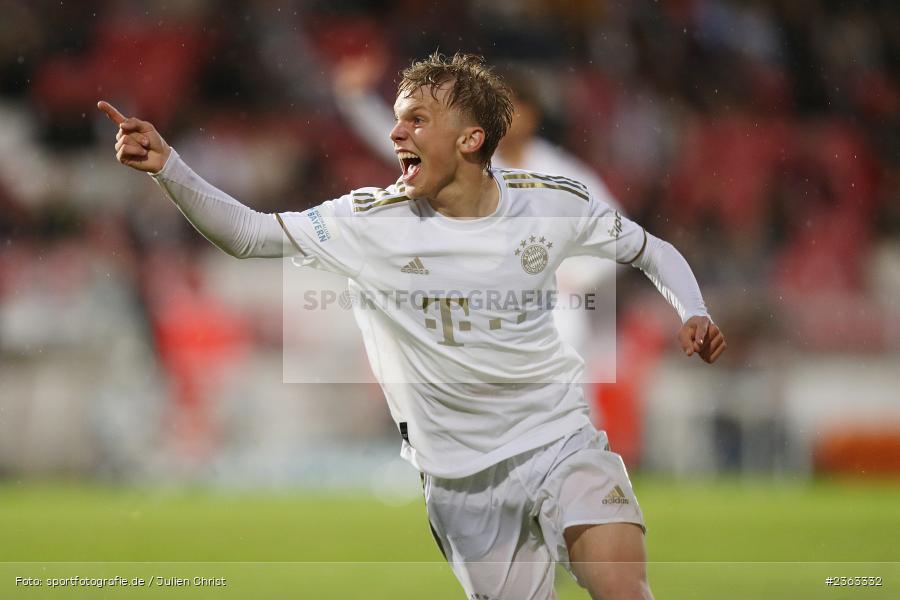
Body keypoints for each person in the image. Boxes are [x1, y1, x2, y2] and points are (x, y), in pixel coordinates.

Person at [99, 52, 726, 600]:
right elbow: (247, 234)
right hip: (459, 479)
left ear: (472, 138)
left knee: (624, 589)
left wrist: (692, 308)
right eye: (398, 117)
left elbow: (649, 249)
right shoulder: (369, 221)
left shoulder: (553, 199)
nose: (395, 131)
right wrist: (168, 167)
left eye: (416, 119)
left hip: (559, 439)